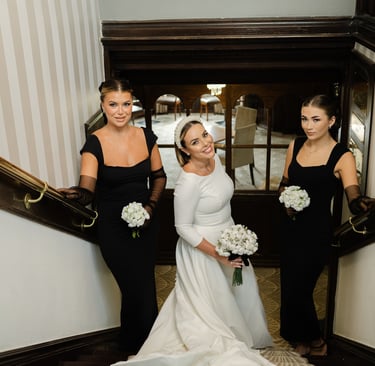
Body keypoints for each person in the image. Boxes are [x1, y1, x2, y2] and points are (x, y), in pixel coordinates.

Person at [112, 116, 274, 366]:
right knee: (209, 307)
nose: (206, 143)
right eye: (195, 142)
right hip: (202, 249)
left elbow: (222, 200)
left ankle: (243, 334)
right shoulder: (188, 182)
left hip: (228, 236)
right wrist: (218, 254)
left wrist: (235, 239)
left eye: (205, 135)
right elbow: (183, 228)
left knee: (238, 291)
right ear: (185, 150)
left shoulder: (215, 159)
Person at [59, 79, 167, 354]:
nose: (121, 111)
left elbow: (159, 177)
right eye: (113, 104)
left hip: (146, 223)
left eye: (126, 104)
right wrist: (72, 195)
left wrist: (150, 209)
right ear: (103, 106)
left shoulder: (146, 137)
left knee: (144, 284)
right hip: (113, 230)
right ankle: (138, 349)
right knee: (134, 289)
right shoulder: (94, 144)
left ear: (133, 104)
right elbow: (87, 190)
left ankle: (141, 348)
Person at [278, 94, 375, 358]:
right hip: (290, 229)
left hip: (316, 233)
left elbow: (352, 196)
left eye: (316, 119)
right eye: (304, 118)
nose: (308, 125)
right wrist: (286, 199)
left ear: (331, 121)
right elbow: (285, 182)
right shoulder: (295, 146)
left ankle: (316, 341)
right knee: (288, 286)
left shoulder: (342, 156)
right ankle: (298, 336)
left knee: (301, 289)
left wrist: (363, 203)